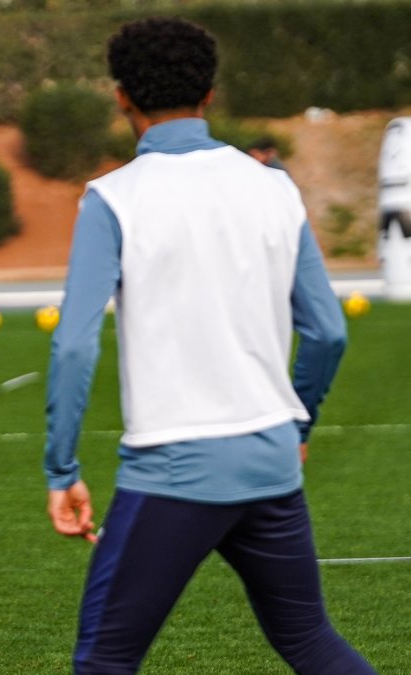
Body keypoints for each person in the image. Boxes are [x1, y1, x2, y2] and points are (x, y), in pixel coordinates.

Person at [44, 17, 375, 674]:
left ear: (121, 96)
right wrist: (298, 422)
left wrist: (62, 469)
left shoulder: (113, 198)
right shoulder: (274, 185)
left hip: (174, 467)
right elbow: (328, 331)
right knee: (309, 639)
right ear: (210, 93)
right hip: (271, 460)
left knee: (104, 661)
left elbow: (75, 346)